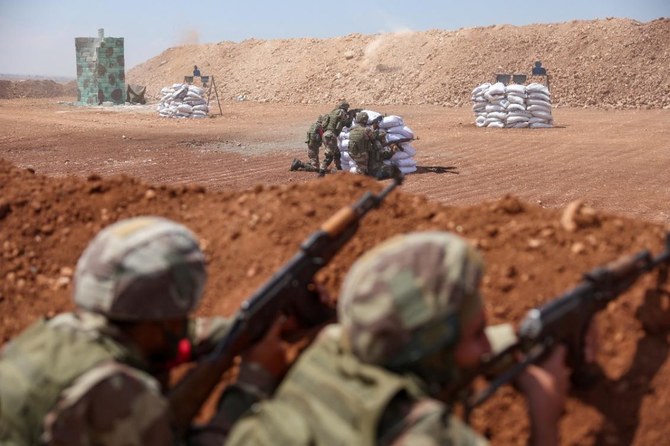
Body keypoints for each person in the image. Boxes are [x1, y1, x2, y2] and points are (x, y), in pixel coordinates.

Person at [225, 231, 573, 445]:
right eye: (476, 334)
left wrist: (521, 335)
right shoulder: (427, 438)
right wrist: (545, 415)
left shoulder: (326, 355)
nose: (484, 347)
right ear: (431, 353)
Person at [0, 216, 292, 445]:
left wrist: (246, 327)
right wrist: (252, 382)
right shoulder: (113, 388)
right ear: (167, 320)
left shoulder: (56, 335)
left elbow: (183, 334)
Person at [348, 111, 399, 180]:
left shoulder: (352, 130)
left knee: (361, 167)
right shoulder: (373, 140)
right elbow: (384, 155)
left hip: (353, 152)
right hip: (372, 167)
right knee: (392, 170)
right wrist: (392, 151)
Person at [318, 100, 350, 176]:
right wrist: (350, 117)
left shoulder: (333, 112)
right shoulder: (341, 112)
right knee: (329, 156)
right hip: (331, 135)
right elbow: (347, 123)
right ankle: (321, 172)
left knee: (337, 153)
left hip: (326, 134)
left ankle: (338, 168)